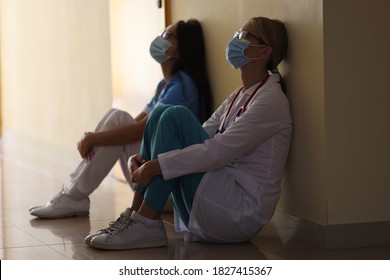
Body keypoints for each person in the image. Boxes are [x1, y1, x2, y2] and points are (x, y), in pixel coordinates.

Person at [87, 16, 292, 250]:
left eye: (244, 36)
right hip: (216, 197)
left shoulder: (271, 100)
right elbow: (202, 134)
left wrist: (155, 166)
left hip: (238, 213)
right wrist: (146, 161)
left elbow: (217, 152)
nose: (235, 40)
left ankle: (147, 222)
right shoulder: (240, 94)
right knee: (160, 113)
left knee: (176, 115)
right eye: (236, 33)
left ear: (264, 51)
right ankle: (137, 215)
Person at [29, 19, 213, 219]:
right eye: (162, 33)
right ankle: (75, 194)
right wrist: (96, 137)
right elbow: (135, 124)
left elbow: (137, 130)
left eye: (168, 36)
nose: (161, 38)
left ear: (181, 49)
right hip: (153, 179)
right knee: (117, 117)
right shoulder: (165, 85)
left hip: (170, 189)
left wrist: (93, 138)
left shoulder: (183, 87)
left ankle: (75, 196)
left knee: (119, 120)